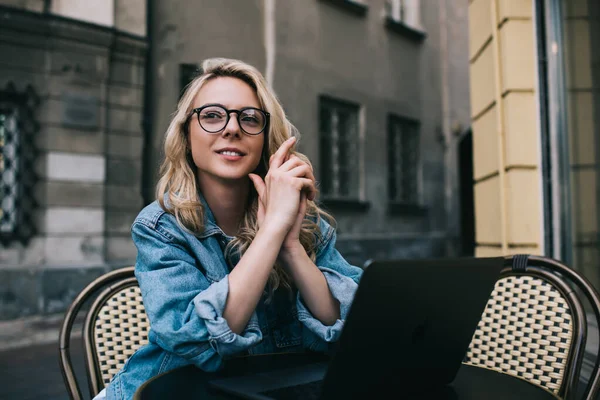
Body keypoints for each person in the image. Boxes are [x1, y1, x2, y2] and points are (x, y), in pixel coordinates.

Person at [96, 58, 363, 400]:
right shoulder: (161, 228)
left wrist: (291, 245)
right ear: (186, 135)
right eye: (211, 115)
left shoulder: (305, 222)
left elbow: (350, 330)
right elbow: (196, 338)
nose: (232, 128)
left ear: (266, 138)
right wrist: (272, 231)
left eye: (250, 118)